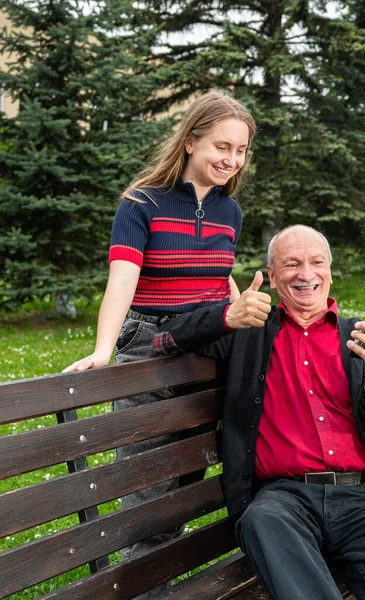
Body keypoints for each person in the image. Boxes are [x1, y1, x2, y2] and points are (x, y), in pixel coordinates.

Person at [152, 225, 365, 600]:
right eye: (291, 264)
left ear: (329, 271)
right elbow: (164, 340)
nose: (306, 274)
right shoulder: (248, 334)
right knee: (263, 521)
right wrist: (226, 315)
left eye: (316, 263)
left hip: (364, 502)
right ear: (273, 278)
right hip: (283, 501)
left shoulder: (357, 337)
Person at [63, 90, 256, 596]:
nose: (231, 160)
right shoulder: (142, 203)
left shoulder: (230, 210)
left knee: (189, 481)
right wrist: (105, 350)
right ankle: (144, 589)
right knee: (148, 485)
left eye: (240, 151)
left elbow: (218, 280)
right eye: (222, 146)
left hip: (208, 350)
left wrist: (240, 308)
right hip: (150, 346)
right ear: (191, 140)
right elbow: (122, 281)